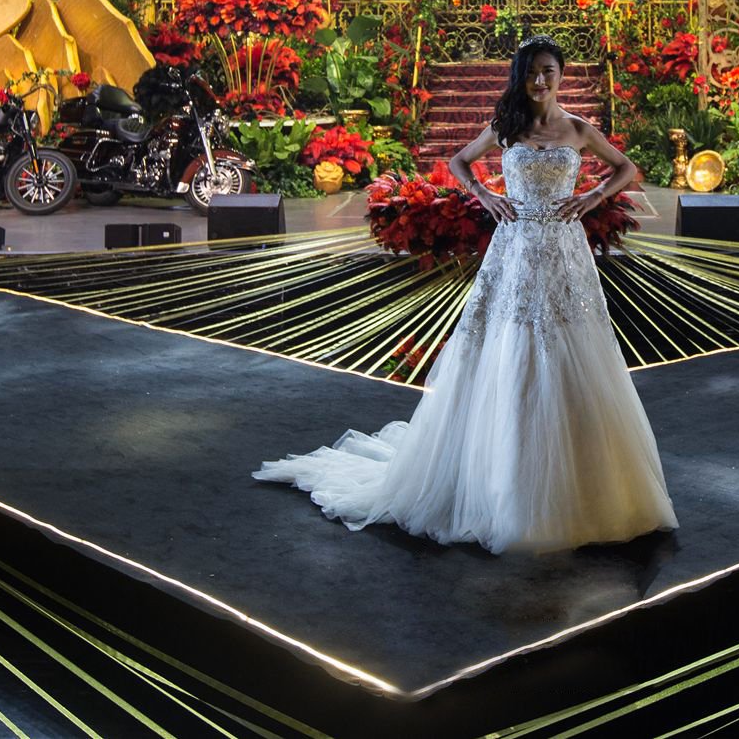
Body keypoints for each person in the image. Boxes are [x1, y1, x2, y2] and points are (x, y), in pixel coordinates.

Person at [254, 35, 677, 554]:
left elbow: (626, 168)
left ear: (560, 74)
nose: (540, 80)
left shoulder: (578, 129)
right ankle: (505, 482)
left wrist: (592, 195)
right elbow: (459, 162)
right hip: (514, 250)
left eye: (548, 71)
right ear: (521, 77)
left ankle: (582, 484)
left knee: (572, 346)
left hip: (565, 254)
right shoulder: (507, 127)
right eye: (532, 72)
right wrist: (483, 194)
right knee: (510, 344)